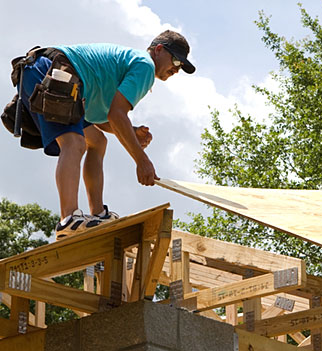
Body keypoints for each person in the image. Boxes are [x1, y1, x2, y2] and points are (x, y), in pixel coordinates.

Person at [15, 30, 195, 240]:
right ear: (158, 50)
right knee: (74, 143)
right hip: (54, 70)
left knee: (98, 141)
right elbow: (118, 115)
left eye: (181, 66)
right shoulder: (145, 66)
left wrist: (132, 132)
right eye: (175, 60)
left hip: (50, 74)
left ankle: (98, 214)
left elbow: (103, 119)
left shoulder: (125, 68)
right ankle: (69, 219)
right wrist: (141, 160)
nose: (176, 68)